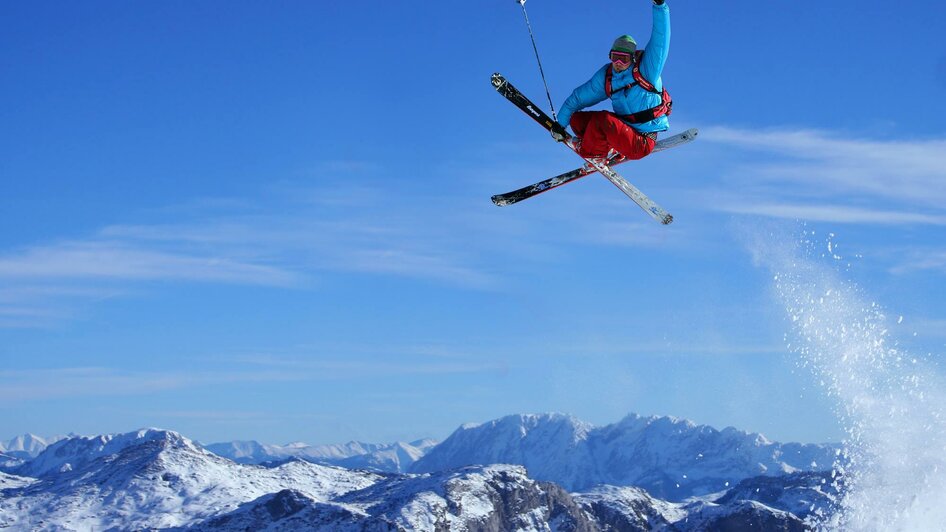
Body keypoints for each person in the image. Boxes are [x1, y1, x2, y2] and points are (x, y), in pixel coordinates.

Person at [552, 0, 672, 164]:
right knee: (577, 121)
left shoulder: (647, 71)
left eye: (623, 59)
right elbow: (579, 98)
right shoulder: (608, 77)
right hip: (623, 131)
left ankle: (594, 155)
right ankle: (609, 149)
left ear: (632, 58)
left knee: (602, 120)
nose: (618, 63)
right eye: (615, 57)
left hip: (641, 141)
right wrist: (560, 124)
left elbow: (661, 39)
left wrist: (659, 6)